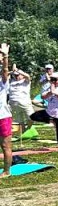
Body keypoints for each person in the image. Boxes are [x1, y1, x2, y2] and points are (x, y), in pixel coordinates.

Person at [7, 64, 34, 139]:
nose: (16, 77)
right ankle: (23, 132)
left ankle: (27, 129)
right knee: (19, 120)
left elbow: (28, 76)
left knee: (32, 118)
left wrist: (19, 71)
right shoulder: (11, 81)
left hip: (25, 103)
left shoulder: (26, 81)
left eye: (18, 75)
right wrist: (12, 72)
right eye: (15, 76)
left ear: (22, 75)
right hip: (13, 104)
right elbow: (5, 75)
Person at [0, 43, 12, 177]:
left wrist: (5, 56)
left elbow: (5, 70)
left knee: (5, 146)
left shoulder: (2, 82)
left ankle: (7, 171)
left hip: (3, 117)